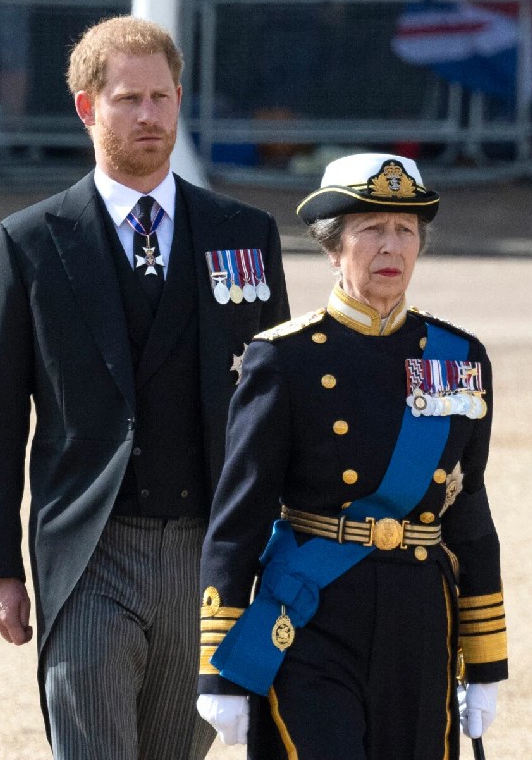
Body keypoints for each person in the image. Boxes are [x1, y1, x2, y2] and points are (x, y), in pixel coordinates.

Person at [0, 15, 290, 759]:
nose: (148, 116)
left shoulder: (243, 234)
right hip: (89, 547)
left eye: (162, 97)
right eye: (127, 99)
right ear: (87, 107)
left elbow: (277, 407)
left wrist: (282, 546)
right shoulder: (32, 242)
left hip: (210, 552)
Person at [196, 153, 507, 757]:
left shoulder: (456, 357)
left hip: (420, 620)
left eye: (406, 230)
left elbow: (468, 514)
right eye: (371, 229)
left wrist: (486, 660)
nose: (391, 247)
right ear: (333, 247)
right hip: (311, 617)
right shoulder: (284, 358)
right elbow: (240, 518)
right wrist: (219, 666)